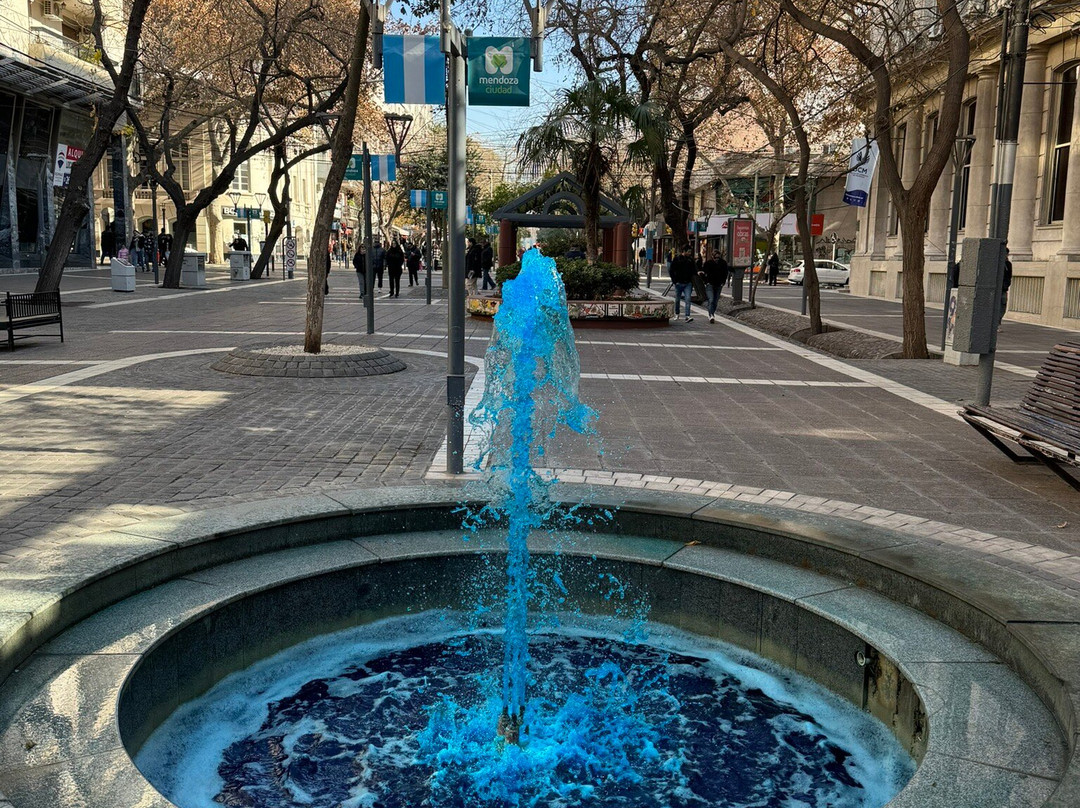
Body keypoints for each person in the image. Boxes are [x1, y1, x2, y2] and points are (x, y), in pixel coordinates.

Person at [699, 250, 729, 323]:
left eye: (718, 258)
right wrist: (706, 282)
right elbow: (703, 272)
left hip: (719, 284)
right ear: (712, 257)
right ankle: (711, 315)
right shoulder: (708, 263)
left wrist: (723, 282)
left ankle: (712, 313)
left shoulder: (723, 263)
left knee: (715, 301)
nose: (717, 259)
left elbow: (725, 273)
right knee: (711, 299)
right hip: (710, 284)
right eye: (715, 257)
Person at [669, 246, 695, 323]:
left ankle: (687, 316)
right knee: (677, 299)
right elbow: (671, 270)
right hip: (679, 282)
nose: (690, 253)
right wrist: (675, 281)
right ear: (684, 251)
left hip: (688, 283)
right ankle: (677, 313)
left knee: (688, 299)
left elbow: (694, 270)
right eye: (688, 251)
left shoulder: (690, 260)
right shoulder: (677, 259)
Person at [999, 245, 1012, 330]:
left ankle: (998, 322)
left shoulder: (1008, 264)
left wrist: (1006, 285)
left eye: (1006, 254)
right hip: (997, 289)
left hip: (1003, 289)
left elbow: (1009, 276)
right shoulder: (997, 263)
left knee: (1002, 306)